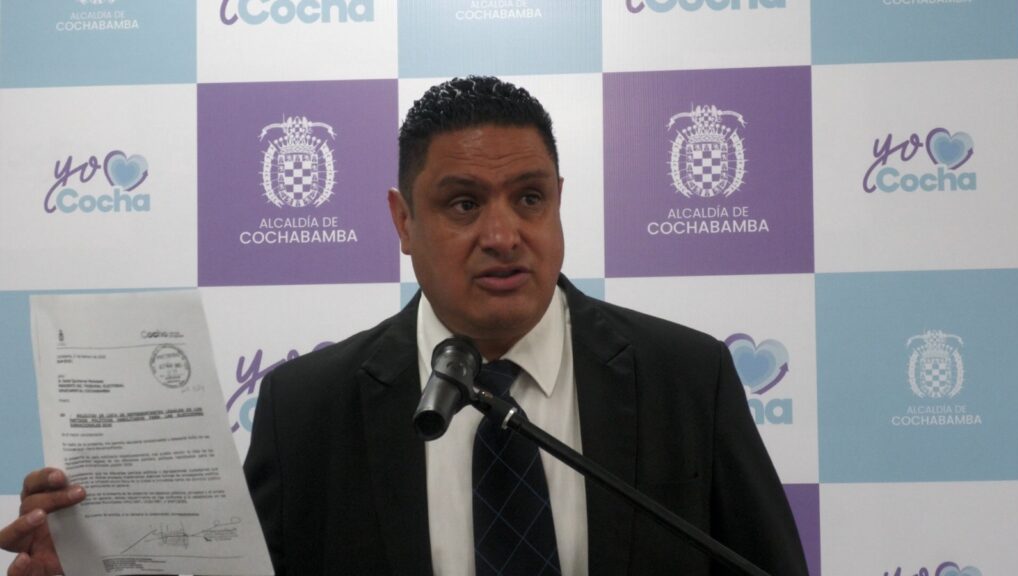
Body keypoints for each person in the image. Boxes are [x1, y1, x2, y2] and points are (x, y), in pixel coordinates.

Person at [1, 76, 808, 575]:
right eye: (463, 204)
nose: (503, 235)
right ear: (402, 221)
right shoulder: (308, 411)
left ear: (559, 201)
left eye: (529, 198)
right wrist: (91, 564)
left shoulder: (683, 379)